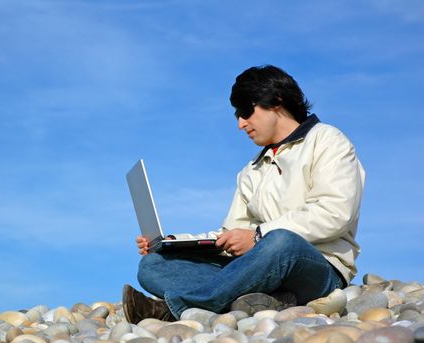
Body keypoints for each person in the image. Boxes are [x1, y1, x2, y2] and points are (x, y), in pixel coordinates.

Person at [122, 65, 365, 323]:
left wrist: (259, 237)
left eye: (246, 112)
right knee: (153, 266)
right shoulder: (251, 170)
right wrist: (172, 243)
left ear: (276, 101)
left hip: (318, 268)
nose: (240, 124)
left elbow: (336, 213)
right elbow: (232, 233)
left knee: (281, 241)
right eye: (237, 115)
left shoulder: (328, 140)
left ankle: (175, 310)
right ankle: (263, 302)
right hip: (258, 267)